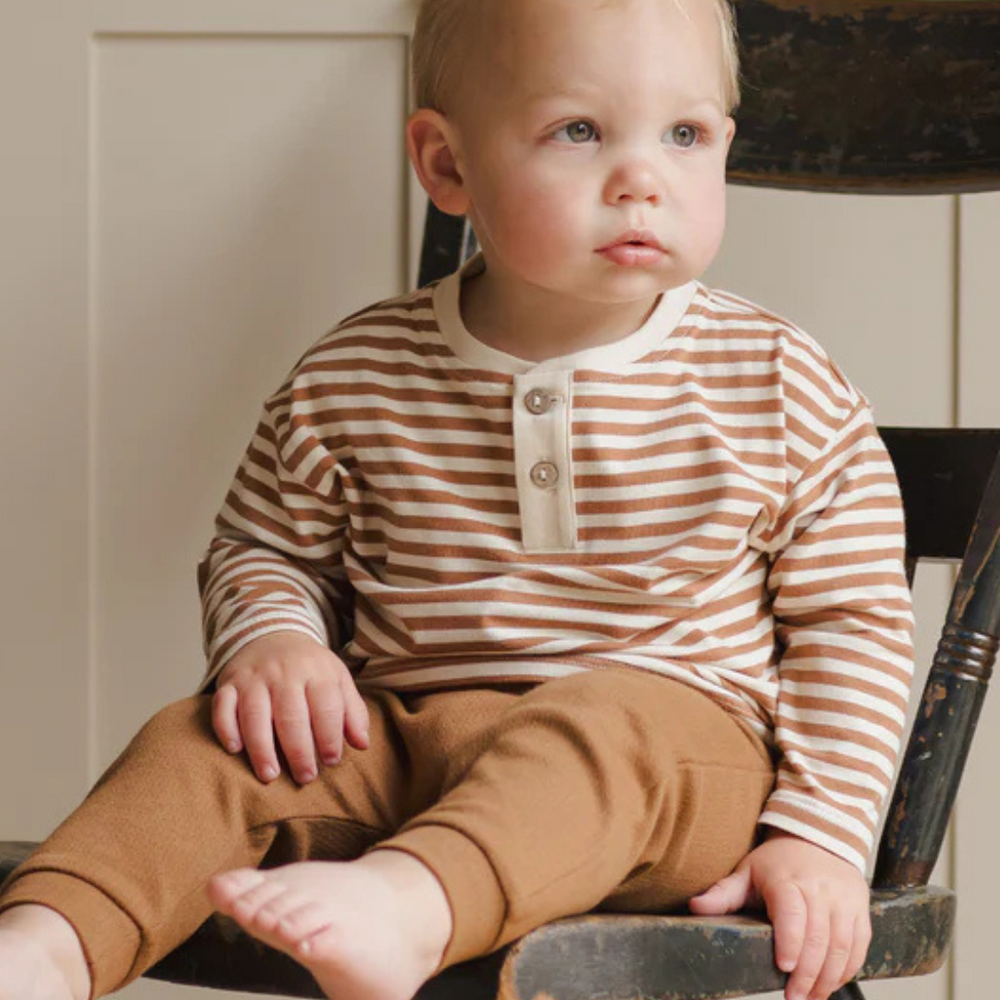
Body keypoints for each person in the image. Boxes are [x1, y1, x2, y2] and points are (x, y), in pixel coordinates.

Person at [0, 1, 915, 999]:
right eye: (579, 130)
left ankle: (410, 905)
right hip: (410, 741)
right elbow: (264, 547)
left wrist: (818, 834)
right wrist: (276, 641)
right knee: (199, 740)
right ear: (446, 166)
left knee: (609, 719)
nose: (641, 177)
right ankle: (49, 943)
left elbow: (853, 618)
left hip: (677, 767)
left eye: (685, 135)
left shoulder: (775, 379)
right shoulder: (356, 373)